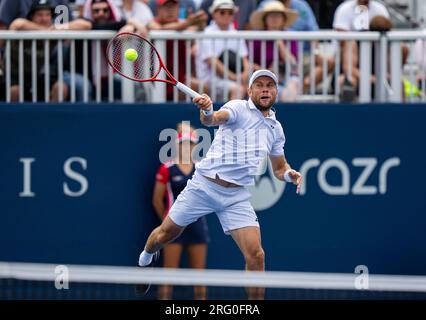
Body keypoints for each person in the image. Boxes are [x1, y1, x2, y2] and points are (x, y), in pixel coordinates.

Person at [138, 69, 302, 300]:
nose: (265, 89)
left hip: (236, 197)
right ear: (250, 90)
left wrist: (289, 174)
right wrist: (206, 109)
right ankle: (145, 258)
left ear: (275, 91)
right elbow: (212, 119)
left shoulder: (276, 129)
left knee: (256, 256)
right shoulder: (237, 108)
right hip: (203, 187)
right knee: (165, 235)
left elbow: (279, 168)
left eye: (270, 85)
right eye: (259, 85)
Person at [152, 123, 210, 300]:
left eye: (190, 143)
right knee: (168, 276)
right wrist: (168, 221)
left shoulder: (202, 168)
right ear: (177, 145)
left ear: (195, 146)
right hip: (173, 229)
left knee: (199, 278)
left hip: (197, 227)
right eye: (183, 143)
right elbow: (157, 200)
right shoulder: (167, 169)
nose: (187, 147)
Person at [7, 0, 91, 102]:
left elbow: (86, 25)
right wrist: (44, 30)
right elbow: (16, 24)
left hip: (48, 79)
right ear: (31, 17)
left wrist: (57, 28)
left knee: (61, 88)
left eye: (48, 15)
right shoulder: (24, 30)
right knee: (15, 91)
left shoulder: (55, 31)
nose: (44, 18)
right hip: (22, 78)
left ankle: (55, 117)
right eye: (40, 15)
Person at [147, 0, 208, 101]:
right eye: (166, 7)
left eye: (173, 7)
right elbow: (160, 29)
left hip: (179, 80)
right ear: (158, 9)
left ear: (178, 9)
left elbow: (199, 28)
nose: (170, 10)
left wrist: (201, 21)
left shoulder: (183, 25)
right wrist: (189, 22)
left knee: (203, 89)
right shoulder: (152, 23)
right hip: (156, 81)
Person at [196, 0, 250, 101]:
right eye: (222, 12)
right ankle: (232, 116)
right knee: (238, 89)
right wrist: (236, 78)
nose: (226, 15)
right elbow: (213, 63)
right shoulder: (207, 34)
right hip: (210, 80)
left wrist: (244, 75)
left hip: (230, 80)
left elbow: (244, 59)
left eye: (230, 12)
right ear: (213, 14)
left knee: (255, 89)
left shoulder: (236, 34)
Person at [249, 1, 300, 101]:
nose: (275, 19)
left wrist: (279, 42)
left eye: (278, 16)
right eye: (271, 16)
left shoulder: (290, 37)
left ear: (283, 20)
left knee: (293, 85)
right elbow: (249, 63)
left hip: (285, 78)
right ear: (265, 19)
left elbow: (293, 64)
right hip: (262, 78)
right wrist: (266, 71)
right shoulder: (256, 38)